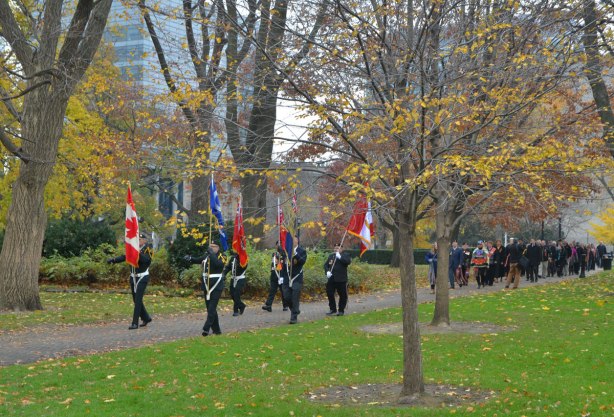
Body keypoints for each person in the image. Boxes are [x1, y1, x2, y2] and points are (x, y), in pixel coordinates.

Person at [107, 233, 153, 330]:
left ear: (144, 240)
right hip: (133, 277)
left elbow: (146, 261)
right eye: (137, 239)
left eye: (140, 239)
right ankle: (146, 318)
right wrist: (113, 260)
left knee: (138, 300)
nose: (138, 241)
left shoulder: (148, 249)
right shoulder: (133, 248)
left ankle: (135, 323)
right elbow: (125, 257)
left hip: (142, 277)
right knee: (136, 299)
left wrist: (137, 252)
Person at [184, 242, 227, 336]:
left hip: (217, 285)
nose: (211, 248)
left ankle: (206, 328)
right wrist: (190, 259)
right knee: (210, 308)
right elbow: (198, 260)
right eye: (210, 246)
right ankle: (217, 330)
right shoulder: (207, 255)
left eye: (213, 247)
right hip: (206, 285)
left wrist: (211, 254)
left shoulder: (222, 256)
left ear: (218, 247)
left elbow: (218, 265)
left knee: (212, 308)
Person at [282, 238, 308, 324]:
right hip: (287, 277)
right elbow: (283, 263)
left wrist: (295, 253)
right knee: (286, 297)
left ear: (297, 241)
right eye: (291, 239)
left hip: (296, 277)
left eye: (294, 239)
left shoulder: (301, 251)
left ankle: (293, 317)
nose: (292, 241)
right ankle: (295, 310)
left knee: (295, 297)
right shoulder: (286, 250)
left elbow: (302, 261)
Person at [324, 243, 352, 316]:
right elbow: (326, 265)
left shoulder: (345, 255)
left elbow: (348, 262)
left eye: (338, 248)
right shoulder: (331, 256)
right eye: (335, 248)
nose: (336, 249)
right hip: (332, 279)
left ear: (342, 249)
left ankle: (341, 310)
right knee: (329, 293)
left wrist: (340, 257)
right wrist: (327, 271)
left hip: (341, 279)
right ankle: (332, 309)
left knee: (342, 295)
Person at [262, 243, 290, 312]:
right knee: (272, 291)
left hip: (281, 276)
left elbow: (284, 265)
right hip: (274, 275)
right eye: (277, 245)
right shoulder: (274, 254)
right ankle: (268, 305)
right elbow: (273, 264)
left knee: (283, 291)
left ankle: (285, 305)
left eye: (279, 245)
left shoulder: (284, 254)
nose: (277, 246)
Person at [223, 249, 248, 317]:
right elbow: (228, 267)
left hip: (240, 279)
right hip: (233, 278)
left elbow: (243, 267)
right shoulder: (232, 258)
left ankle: (235, 310)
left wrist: (238, 258)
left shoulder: (244, 258)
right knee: (232, 294)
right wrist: (224, 274)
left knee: (236, 294)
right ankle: (242, 305)